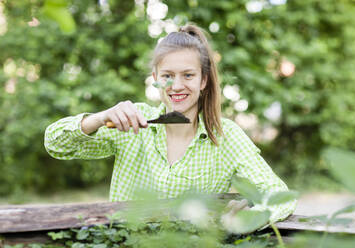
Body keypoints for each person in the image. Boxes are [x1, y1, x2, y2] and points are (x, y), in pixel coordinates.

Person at [44, 24, 296, 226]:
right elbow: (55, 145)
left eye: (187, 75)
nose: (176, 86)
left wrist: (250, 216)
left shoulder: (225, 135)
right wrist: (100, 118)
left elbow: (278, 195)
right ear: (155, 79)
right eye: (167, 76)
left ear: (203, 80)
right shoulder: (131, 124)